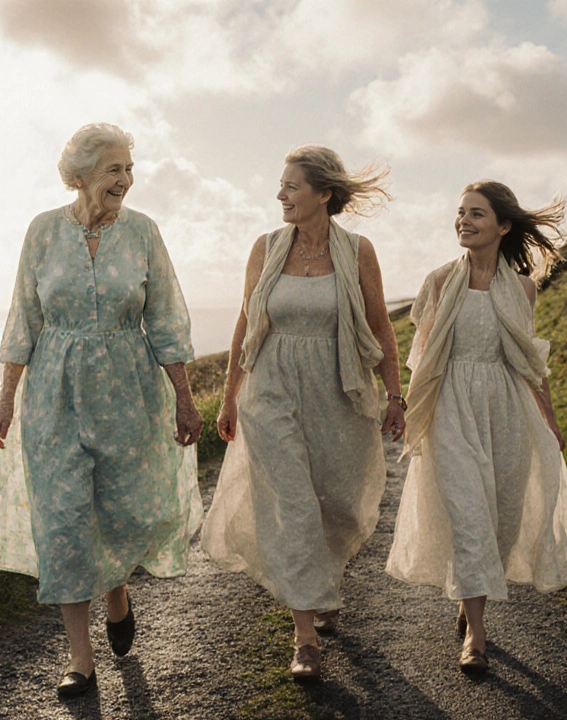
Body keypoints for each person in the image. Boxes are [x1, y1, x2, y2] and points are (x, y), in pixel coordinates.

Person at [0, 123, 203, 697]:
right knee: (63, 522)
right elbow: (24, 318)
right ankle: (78, 657)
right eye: (115, 169)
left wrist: (185, 399)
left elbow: (165, 318)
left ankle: (116, 592)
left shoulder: (144, 233)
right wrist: (5, 399)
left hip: (129, 393)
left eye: (129, 169)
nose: (126, 179)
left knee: (123, 513)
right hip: (54, 397)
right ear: (83, 174)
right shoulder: (42, 232)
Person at [201, 145, 404, 683]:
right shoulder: (266, 247)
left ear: (324, 194)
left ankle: (324, 578)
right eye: (281, 185)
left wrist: (394, 395)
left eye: (291, 186)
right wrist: (228, 397)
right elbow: (245, 324)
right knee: (291, 502)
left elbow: (382, 327)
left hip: (337, 386)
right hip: (270, 387)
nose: (280, 195)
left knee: (337, 500)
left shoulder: (357, 251)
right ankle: (305, 636)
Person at [385, 180, 567, 675]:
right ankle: (476, 635)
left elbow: (529, 360)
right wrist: (413, 410)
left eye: (476, 214)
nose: (464, 221)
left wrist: (550, 420)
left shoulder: (522, 288)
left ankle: (469, 601)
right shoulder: (437, 282)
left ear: (503, 225)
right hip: (453, 407)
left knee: (501, 519)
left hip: (507, 407)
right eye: (460, 213)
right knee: (469, 516)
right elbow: (424, 358)